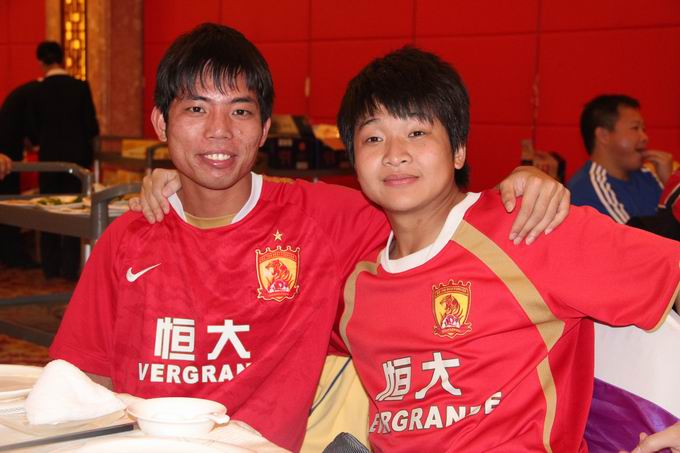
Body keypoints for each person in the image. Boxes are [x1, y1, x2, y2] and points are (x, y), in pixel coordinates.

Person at [50, 24, 568, 452]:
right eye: (196, 109)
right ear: (161, 123)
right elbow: (81, 380)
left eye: (240, 111)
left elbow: (437, 211)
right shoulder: (128, 237)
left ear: (265, 128)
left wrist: (521, 184)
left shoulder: (320, 219)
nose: (218, 130)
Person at [333, 47, 679, 452]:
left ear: (458, 150)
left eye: (417, 133)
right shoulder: (356, 285)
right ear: (354, 158)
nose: (395, 155)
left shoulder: (529, 226)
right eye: (374, 138)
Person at [30, 41, 99, 279]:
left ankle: (50, 267)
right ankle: (71, 268)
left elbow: (33, 127)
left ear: (41, 62)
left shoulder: (37, 90)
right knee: (74, 210)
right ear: (62, 59)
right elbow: (92, 127)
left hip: (48, 159)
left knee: (47, 209)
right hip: (76, 160)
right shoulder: (80, 87)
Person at [568, 94, 673, 224]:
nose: (645, 137)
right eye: (635, 128)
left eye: (644, 129)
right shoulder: (587, 189)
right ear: (603, 135)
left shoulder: (647, 175)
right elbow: (634, 236)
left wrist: (670, 183)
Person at [0, 80, 40, 268]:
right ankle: (12, 254)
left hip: (7, 153)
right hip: (7, 156)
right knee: (9, 204)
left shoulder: (24, 93)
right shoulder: (35, 93)